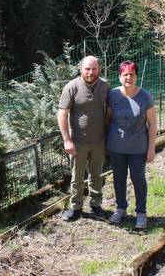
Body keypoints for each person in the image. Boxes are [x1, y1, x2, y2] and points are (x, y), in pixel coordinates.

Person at [105, 60, 157, 229]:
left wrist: (151, 149)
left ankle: (141, 212)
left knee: (138, 179)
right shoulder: (113, 95)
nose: (128, 77)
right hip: (116, 147)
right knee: (119, 178)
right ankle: (121, 208)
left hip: (138, 148)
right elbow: (108, 118)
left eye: (132, 74)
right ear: (119, 77)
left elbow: (152, 124)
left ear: (136, 76)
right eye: (125, 74)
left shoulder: (145, 96)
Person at [58, 56, 110, 221]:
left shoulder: (105, 86)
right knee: (77, 176)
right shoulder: (71, 87)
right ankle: (76, 207)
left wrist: (108, 133)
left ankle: (96, 205)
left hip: (99, 141)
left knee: (97, 175)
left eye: (94, 69)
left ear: (99, 69)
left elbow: (109, 110)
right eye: (87, 69)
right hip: (78, 142)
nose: (90, 72)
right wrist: (67, 139)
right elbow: (62, 113)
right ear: (81, 69)